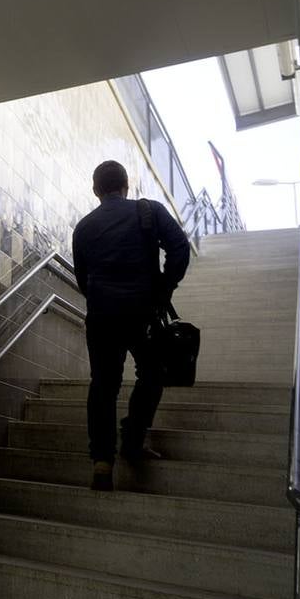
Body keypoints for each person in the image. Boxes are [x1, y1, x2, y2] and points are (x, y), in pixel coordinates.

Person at [71, 160, 190, 492]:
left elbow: (82, 278)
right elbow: (180, 249)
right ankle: (133, 440)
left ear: (95, 191)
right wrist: (164, 287)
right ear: (127, 185)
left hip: (102, 316)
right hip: (143, 312)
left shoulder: (83, 227)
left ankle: (102, 462)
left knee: (104, 385)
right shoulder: (148, 211)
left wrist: (101, 296)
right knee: (152, 374)